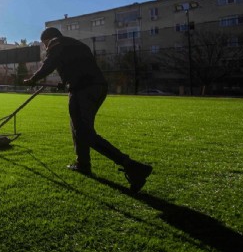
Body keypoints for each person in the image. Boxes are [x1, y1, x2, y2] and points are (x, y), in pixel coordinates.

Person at [24, 27, 153, 193]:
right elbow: (78, 66)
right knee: (79, 127)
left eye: (44, 44)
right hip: (97, 88)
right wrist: (64, 83)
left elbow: (50, 63)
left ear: (48, 39)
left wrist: (33, 79)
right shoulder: (77, 45)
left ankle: (132, 166)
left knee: (84, 132)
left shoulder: (56, 43)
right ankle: (82, 164)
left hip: (83, 89)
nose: (45, 48)